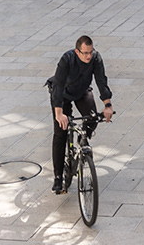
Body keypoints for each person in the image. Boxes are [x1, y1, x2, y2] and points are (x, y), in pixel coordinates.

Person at [48, 35, 113, 194]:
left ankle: (81, 140)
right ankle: (58, 177)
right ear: (77, 52)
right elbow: (58, 86)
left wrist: (108, 105)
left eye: (91, 52)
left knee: (93, 118)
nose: (89, 56)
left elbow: (101, 81)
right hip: (62, 94)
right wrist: (59, 113)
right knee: (61, 132)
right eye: (85, 53)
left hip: (82, 91)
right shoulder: (67, 59)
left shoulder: (95, 58)